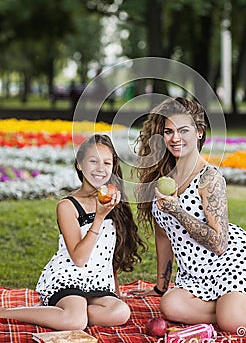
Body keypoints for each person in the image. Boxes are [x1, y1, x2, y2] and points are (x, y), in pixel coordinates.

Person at [134, 96, 246, 333]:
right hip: (196, 273)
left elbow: (219, 243)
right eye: (169, 131)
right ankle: (237, 310)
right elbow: (163, 236)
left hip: (233, 260)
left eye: (183, 130)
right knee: (170, 305)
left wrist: (177, 211)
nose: (175, 138)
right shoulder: (162, 180)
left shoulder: (209, 178)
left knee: (232, 322)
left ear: (199, 132)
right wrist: (161, 287)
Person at [0, 134, 144, 330]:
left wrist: (115, 291)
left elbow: (109, 254)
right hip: (69, 276)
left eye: (107, 163)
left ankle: (61, 312)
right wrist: (99, 218)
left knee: (121, 312)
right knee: (75, 322)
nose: (100, 168)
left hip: (97, 282)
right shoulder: (68, 206)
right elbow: (78, 258)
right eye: (93, 161)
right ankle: (7, 313)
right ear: (79, 165)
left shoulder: (113, 202)